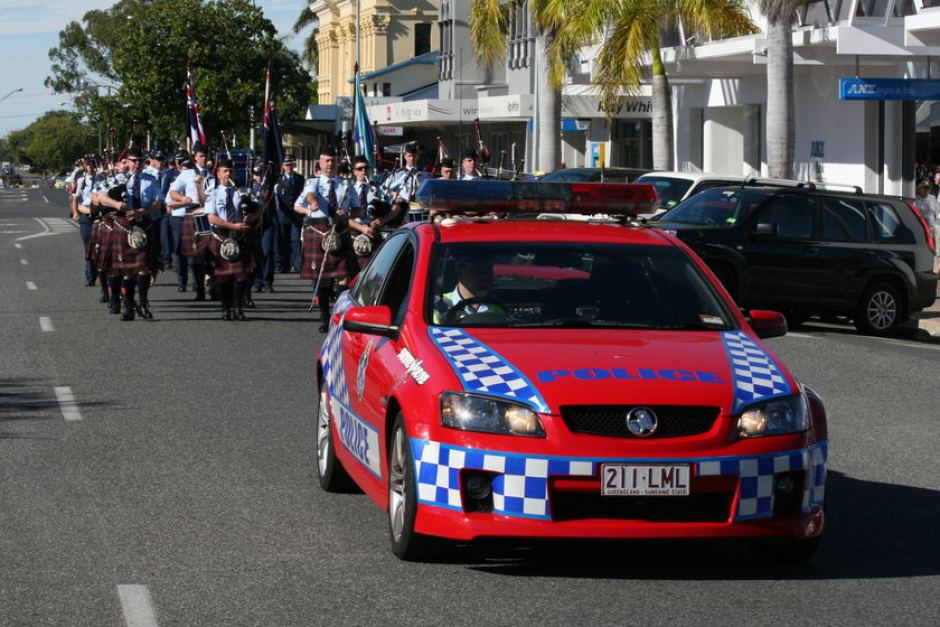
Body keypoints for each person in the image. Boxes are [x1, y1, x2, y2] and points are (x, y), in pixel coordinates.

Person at [295, 145, 362, 332]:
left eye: (332, 160)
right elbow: (304, 198)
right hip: (319, 230)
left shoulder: (346, 184)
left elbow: (358, 208)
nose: (330, 164)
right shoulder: (313, 182)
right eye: (326, 160)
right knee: (322, 279)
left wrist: (348, 212)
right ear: (320, 163)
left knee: (345, 277)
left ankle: (337, 315)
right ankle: (325, 317)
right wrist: (313, 204)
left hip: (340, 230)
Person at [96, 146, 162, 321]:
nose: (137, 164)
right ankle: (128, 305)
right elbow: (100, 197)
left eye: (140, 161)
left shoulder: (151, 179)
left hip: (144, 225)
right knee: (126, 270)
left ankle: (143, 303)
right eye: (134, 161)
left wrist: (142, 211)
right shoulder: (118, 179)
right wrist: (117, 205)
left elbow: (158, 203)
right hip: (123, 225)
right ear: (127, 162)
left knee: (143, 268)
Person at [203, 157, 252, 320]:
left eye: (230, 171)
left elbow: (252, 212)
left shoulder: (242, 191)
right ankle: (226, 309)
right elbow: (210, 217)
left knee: (241, 275)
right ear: (218, 174)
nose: (228, 174)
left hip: (239, 237)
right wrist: (232, 226)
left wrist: (250, 216)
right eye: (225, 171)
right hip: (221, 236)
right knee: (222, 275)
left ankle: (238, 308)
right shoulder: (213, 193)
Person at [349, 154, 398, 268]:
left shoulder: (377, 189)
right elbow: (344, 217)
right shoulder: (349, 190)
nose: (364, 171)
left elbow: (397, 207)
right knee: (352, 273)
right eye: (360, 169)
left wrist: (383, 219)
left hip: (374, 233)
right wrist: (363, 229)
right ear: (354, 172)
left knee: (372, 269)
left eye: (366, 168)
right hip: (355, 233)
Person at [433, 256, 507, 323]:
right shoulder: (436, 307)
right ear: (459, 273)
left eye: (489, 270)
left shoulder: (503, 308)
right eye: (478, 270)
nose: (486, 276)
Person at [275, 154, 305, 273]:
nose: (289, 167)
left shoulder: (300, 179)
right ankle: (284, 264)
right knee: (284, 239)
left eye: (291, 165)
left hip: (296, 214)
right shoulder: (278, 179)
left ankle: (297, 264)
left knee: (295, 239)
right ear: (283, 166)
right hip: (283, 214)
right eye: (287, 165)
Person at [73, 158, 99, 286]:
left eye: (93, 164)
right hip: (86, 213)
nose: (91, 167)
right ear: (85, 166)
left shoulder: (101, 179)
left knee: (100, 247)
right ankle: (90, 276)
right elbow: (76, 198)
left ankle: (102, 274)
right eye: (89, 165)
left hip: (99, 215)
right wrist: (76, 212)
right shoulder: (81, 180)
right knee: (89, 246)